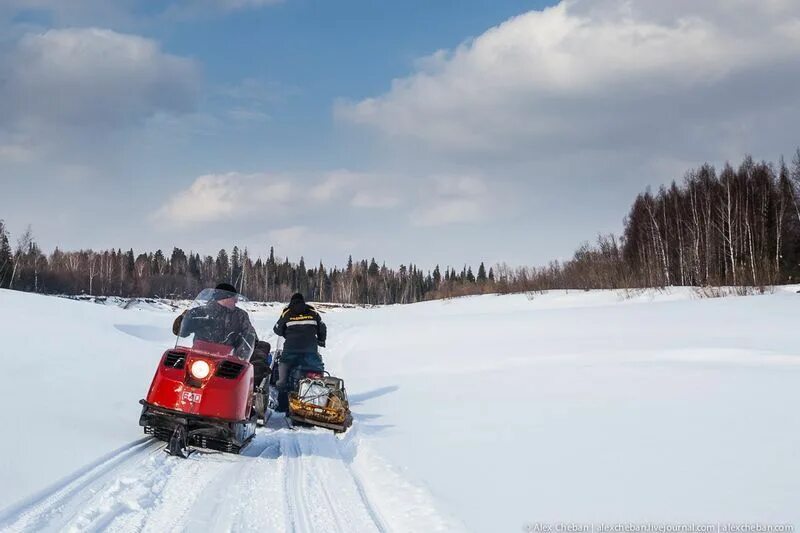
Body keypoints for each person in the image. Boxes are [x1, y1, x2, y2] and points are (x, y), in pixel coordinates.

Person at [173, 282, 256, 359]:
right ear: (224, 298)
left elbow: (250, 335)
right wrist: (184, 319)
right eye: (234, 298)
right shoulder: (200, 312)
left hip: (228, 360)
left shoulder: (240, 315)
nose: (236, 301)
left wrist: (245, 348)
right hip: (200, 357)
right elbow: (178, 331)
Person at [273, 292, 327, 393]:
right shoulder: (313, 312)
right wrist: (321, 340)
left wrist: (286, 334)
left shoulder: (287, 312)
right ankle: (319, 395)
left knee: (282, 376)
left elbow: (277, 329)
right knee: (318, 373)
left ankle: (281, 403)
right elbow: (322, 328)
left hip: (290, 350)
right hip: (310, 351)